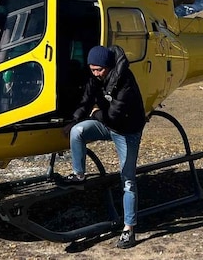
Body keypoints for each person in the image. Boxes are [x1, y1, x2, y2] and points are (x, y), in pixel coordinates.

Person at [59, 45, 147, 249]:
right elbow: (86, 100)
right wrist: (74, 120)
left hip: (127, 131)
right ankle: (78, 175)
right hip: (106, 124)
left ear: (108, 66)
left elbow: (114, 116)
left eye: (99, 70)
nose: (96, 74)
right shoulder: (94, 77)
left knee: (128, 179)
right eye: (92, 70)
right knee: (78, 132)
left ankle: (129, 229)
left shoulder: (125, 81)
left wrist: (96, 112)